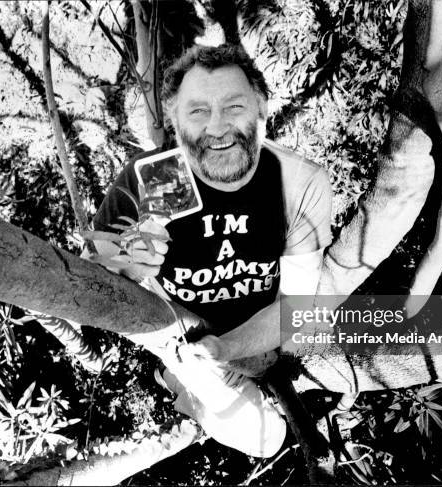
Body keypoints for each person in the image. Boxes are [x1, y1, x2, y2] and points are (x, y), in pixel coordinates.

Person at [90, 44, 332, 457]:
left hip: (263, 331)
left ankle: (189, 386)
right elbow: (97, 276)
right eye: (198, 111)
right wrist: (128, 265)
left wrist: (234, 349)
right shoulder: (162, 178)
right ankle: (181, 385)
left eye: (233, 106)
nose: (217, 127)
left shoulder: (294, 182)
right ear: (173, 119)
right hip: (190, 338)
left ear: (261, 108)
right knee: (267, 441)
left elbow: (298, 306)